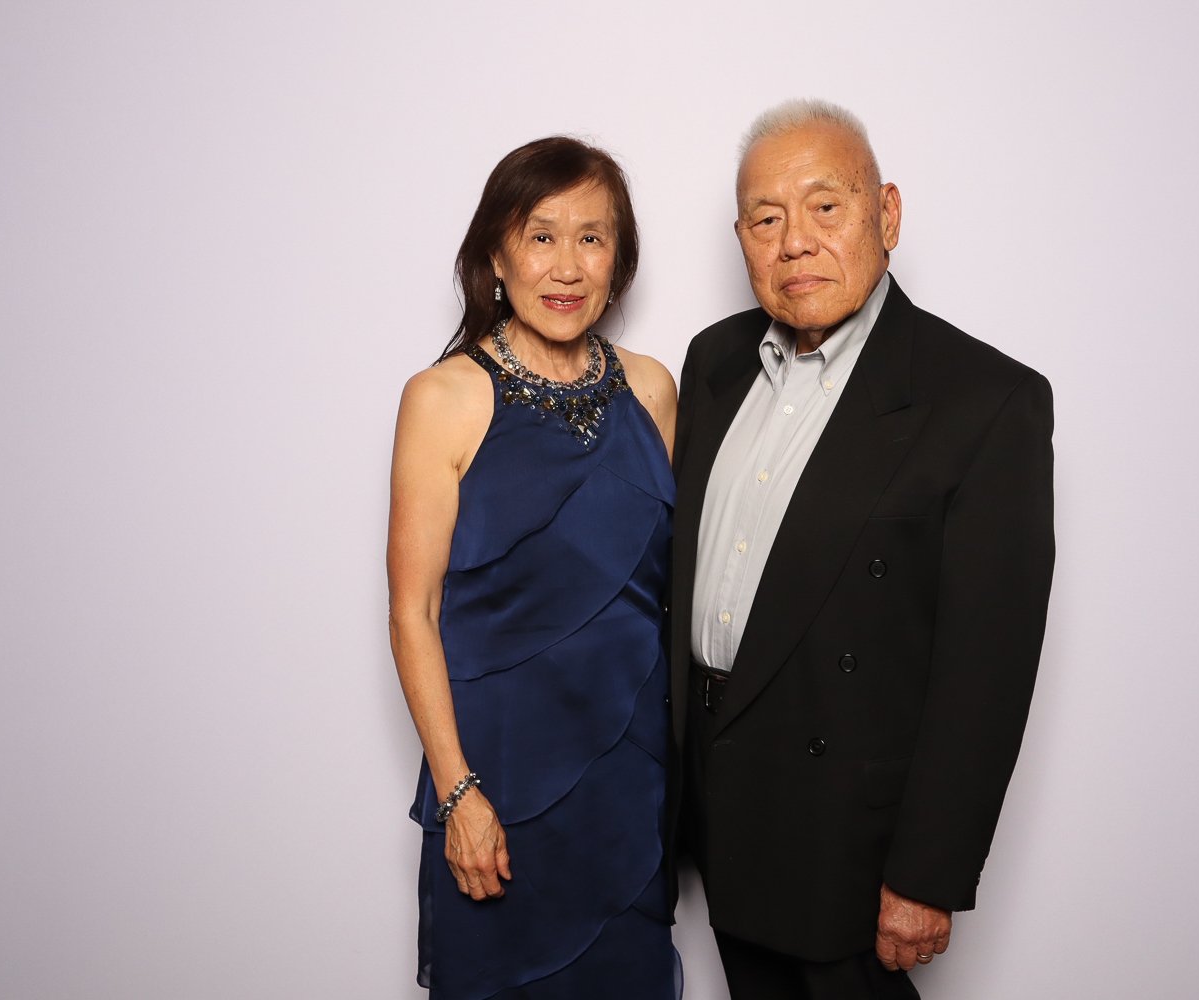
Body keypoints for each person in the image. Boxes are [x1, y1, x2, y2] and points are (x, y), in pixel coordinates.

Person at [670, 99, 1055, 999]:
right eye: (767, 219)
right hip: (719, 806)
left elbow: (987, 673)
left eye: (825, 207)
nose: (794, 241)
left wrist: (927, 874)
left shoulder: (982, 401)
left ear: (886, 214)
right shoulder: (714, 362)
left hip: (853, 836)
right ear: (741, 238)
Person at [387, 136, 680, 999]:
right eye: (541, 234)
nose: (567, 264)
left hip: (630, 781)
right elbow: (413, 613)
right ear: (495, 255)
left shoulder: (655, 390)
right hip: (498, 782)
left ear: (618, 260)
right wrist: (458, 794)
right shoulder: (441, 398)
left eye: (592, 237)